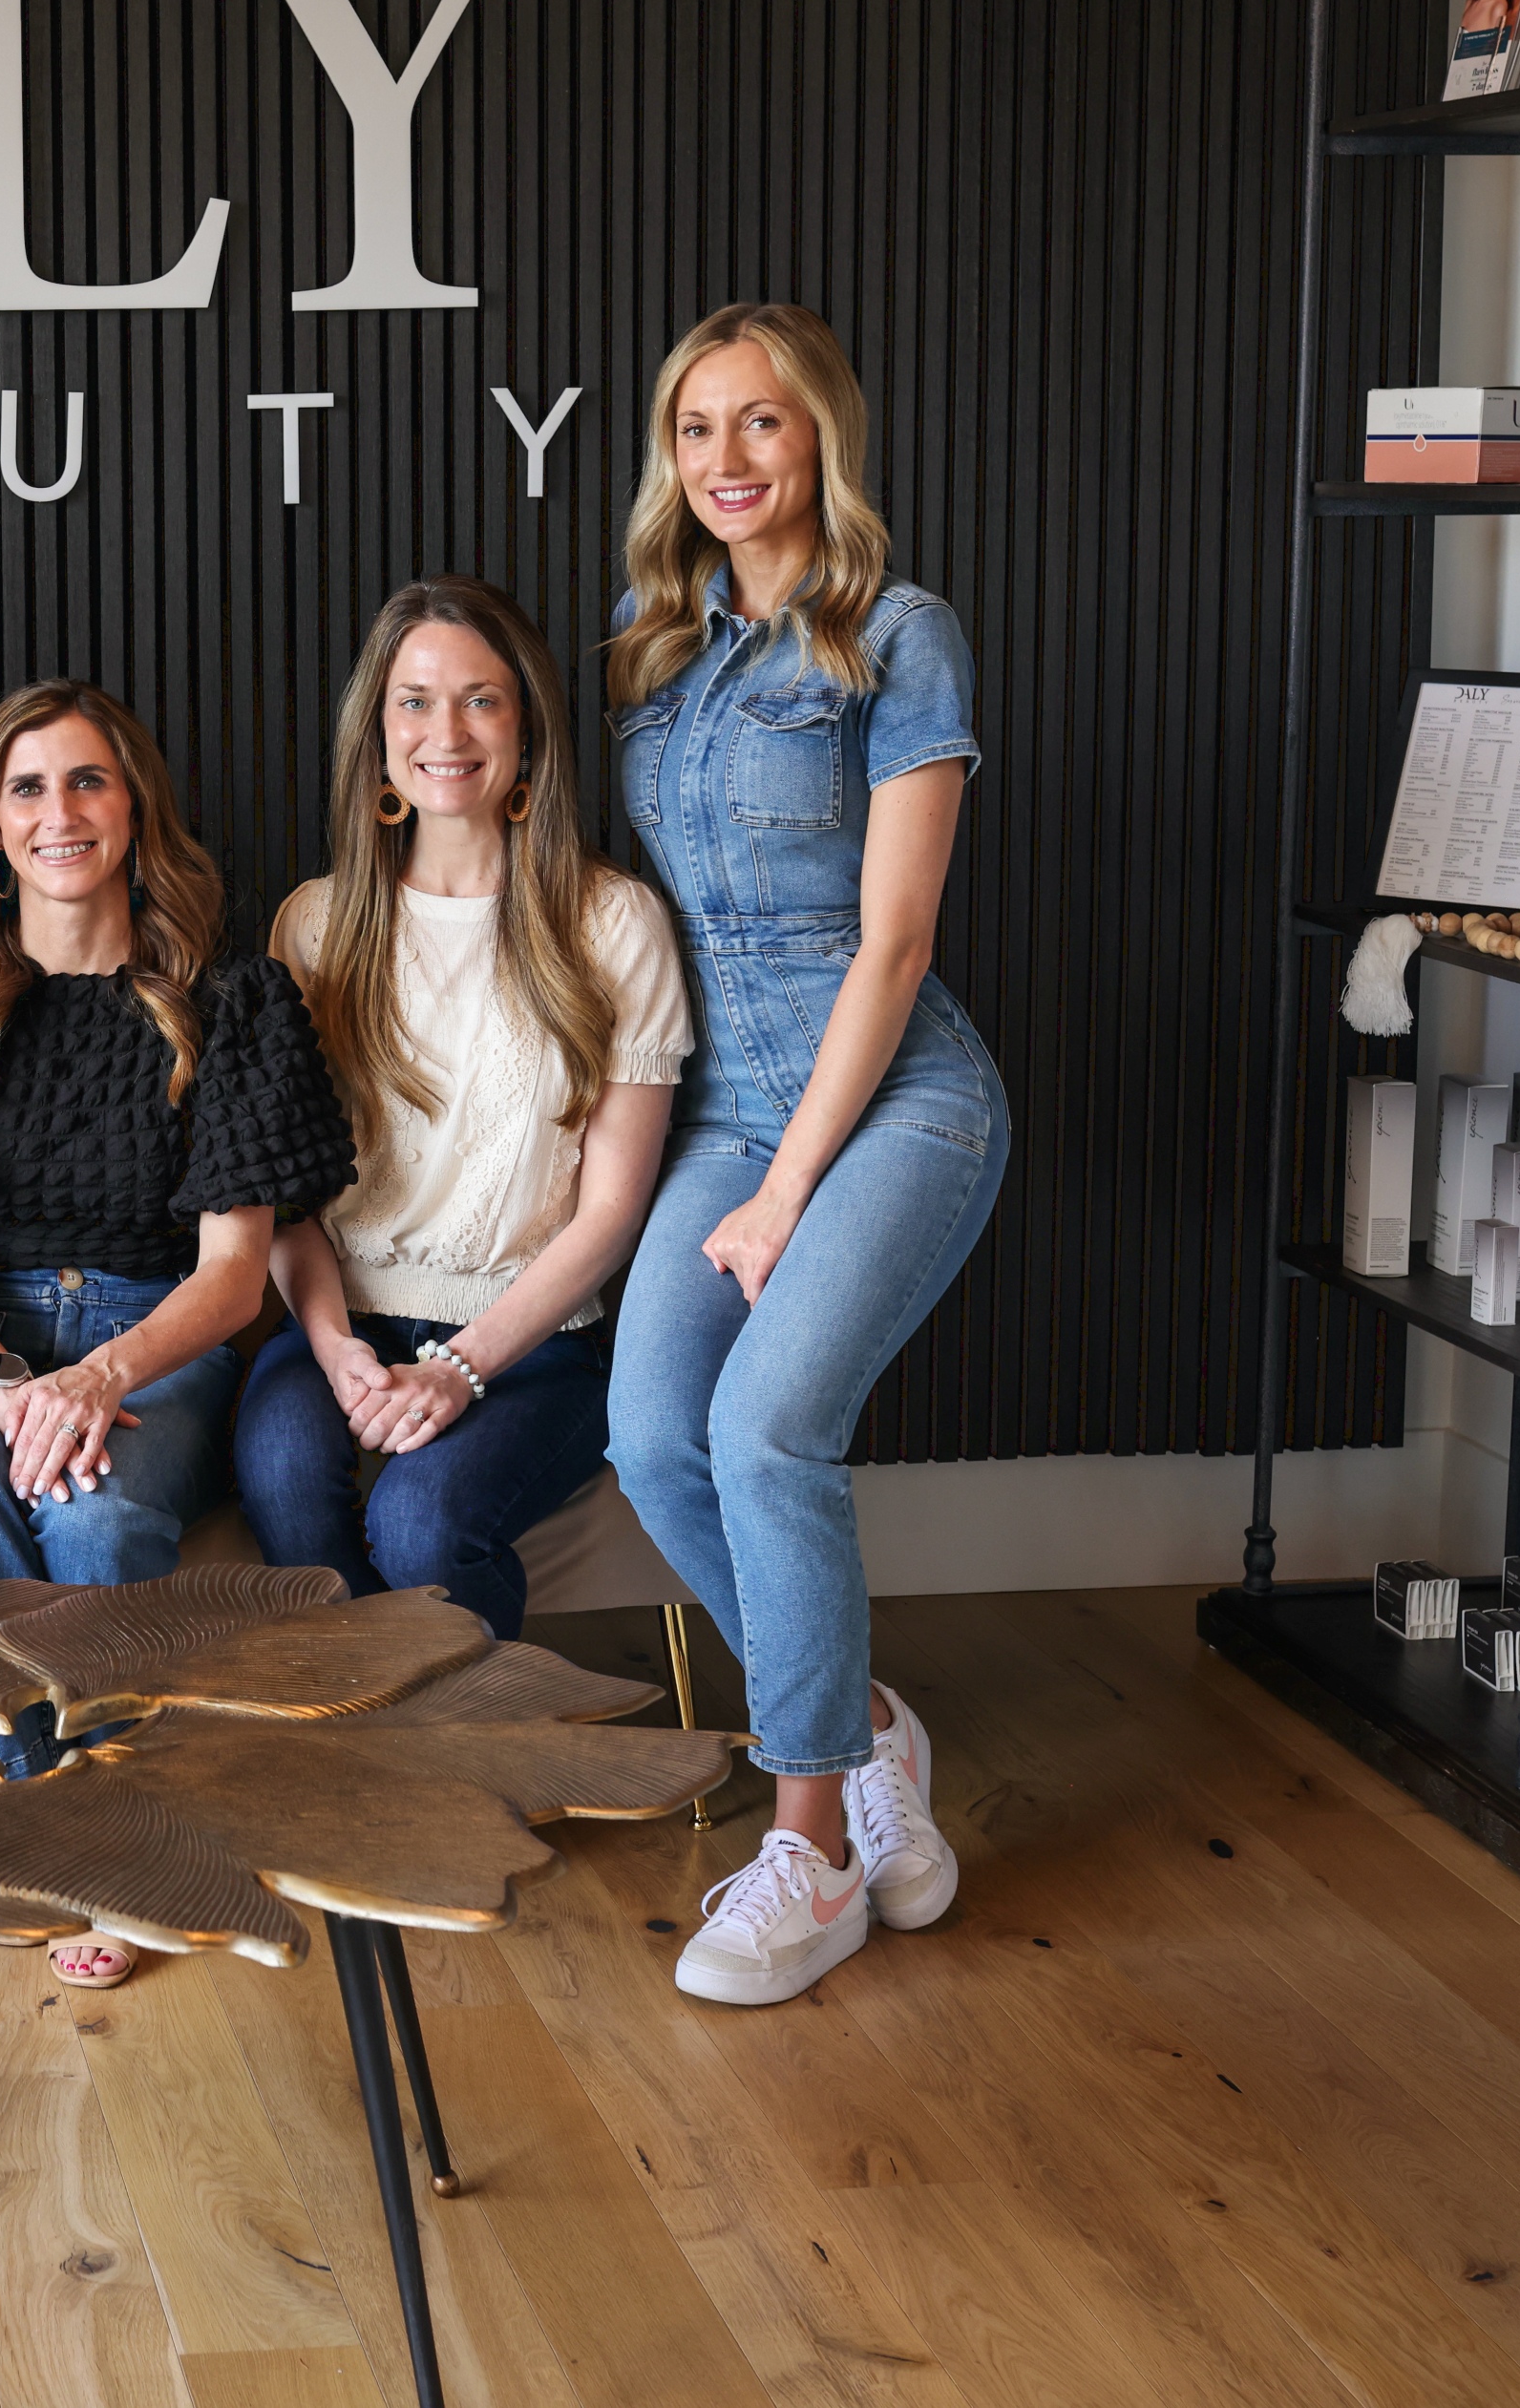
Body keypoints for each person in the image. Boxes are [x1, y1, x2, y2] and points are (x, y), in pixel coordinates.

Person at [599, 303, 1007, 2010]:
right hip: (724, 1103)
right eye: (697, 431)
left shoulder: (899, 636)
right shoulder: (654, 641)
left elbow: (894, 944)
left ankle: (817, 1848)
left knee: (770, 1429)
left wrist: (785, 1189)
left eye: (761, 425)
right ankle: (869, 1728)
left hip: (896, 1098)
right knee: (648, 1435)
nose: (728, 462)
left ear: (821, 439)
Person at [0, 680, 352, 1991]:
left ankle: (108, 1828)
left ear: (136, 807)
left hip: (158, 1334)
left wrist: (101, 1374)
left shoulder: (233, 1004)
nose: (60, 812)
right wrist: (11, 1387)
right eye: (27, 789)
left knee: (102, 1519)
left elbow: (236, 1275)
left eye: (87, 781)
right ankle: (29, 1801)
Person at [238, 576, 688, 1637]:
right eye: (415, 699)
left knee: (425, 1522)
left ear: (527, 730)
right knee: (282, 1464)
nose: (446, 729)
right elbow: (284, 1191)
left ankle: (467, 1762)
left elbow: (611, 1212)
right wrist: (337, 1341)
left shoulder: (613, 922)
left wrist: (457, 1365)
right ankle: (367, 1752)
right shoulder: (314, 925)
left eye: (482, 699)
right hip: (332, 1318)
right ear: (378, 734)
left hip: (535, 1339)